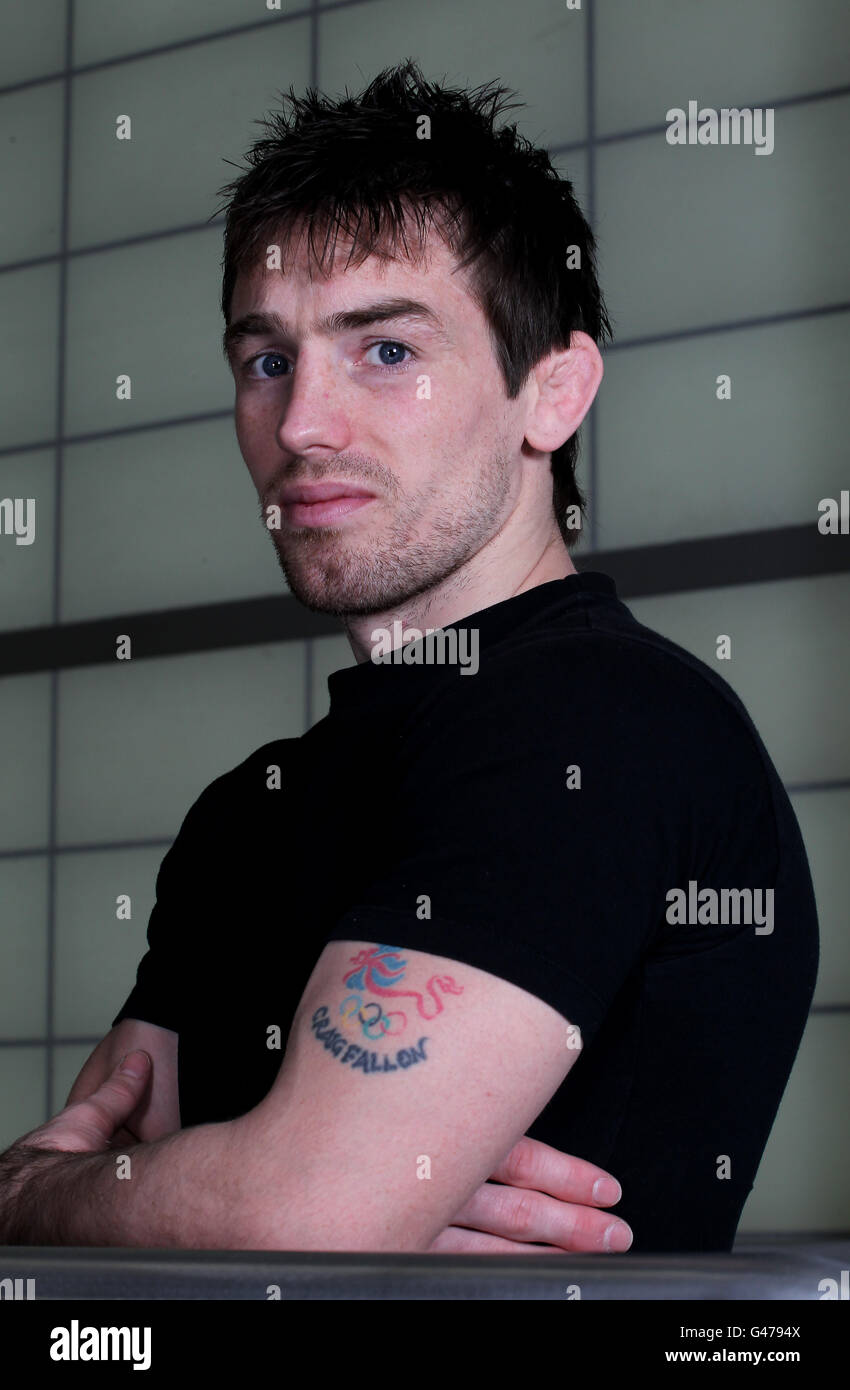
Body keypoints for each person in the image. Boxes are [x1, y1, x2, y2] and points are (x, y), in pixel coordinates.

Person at [0, 60, 818, 1255]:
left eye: (384, 349)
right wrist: (143, 1200)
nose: (301, 424)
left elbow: (288, 1214)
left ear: (552, 392)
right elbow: (87, 1246)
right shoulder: (244, 814)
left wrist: (92, 1191)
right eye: (267, 360)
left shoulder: (606, 718)